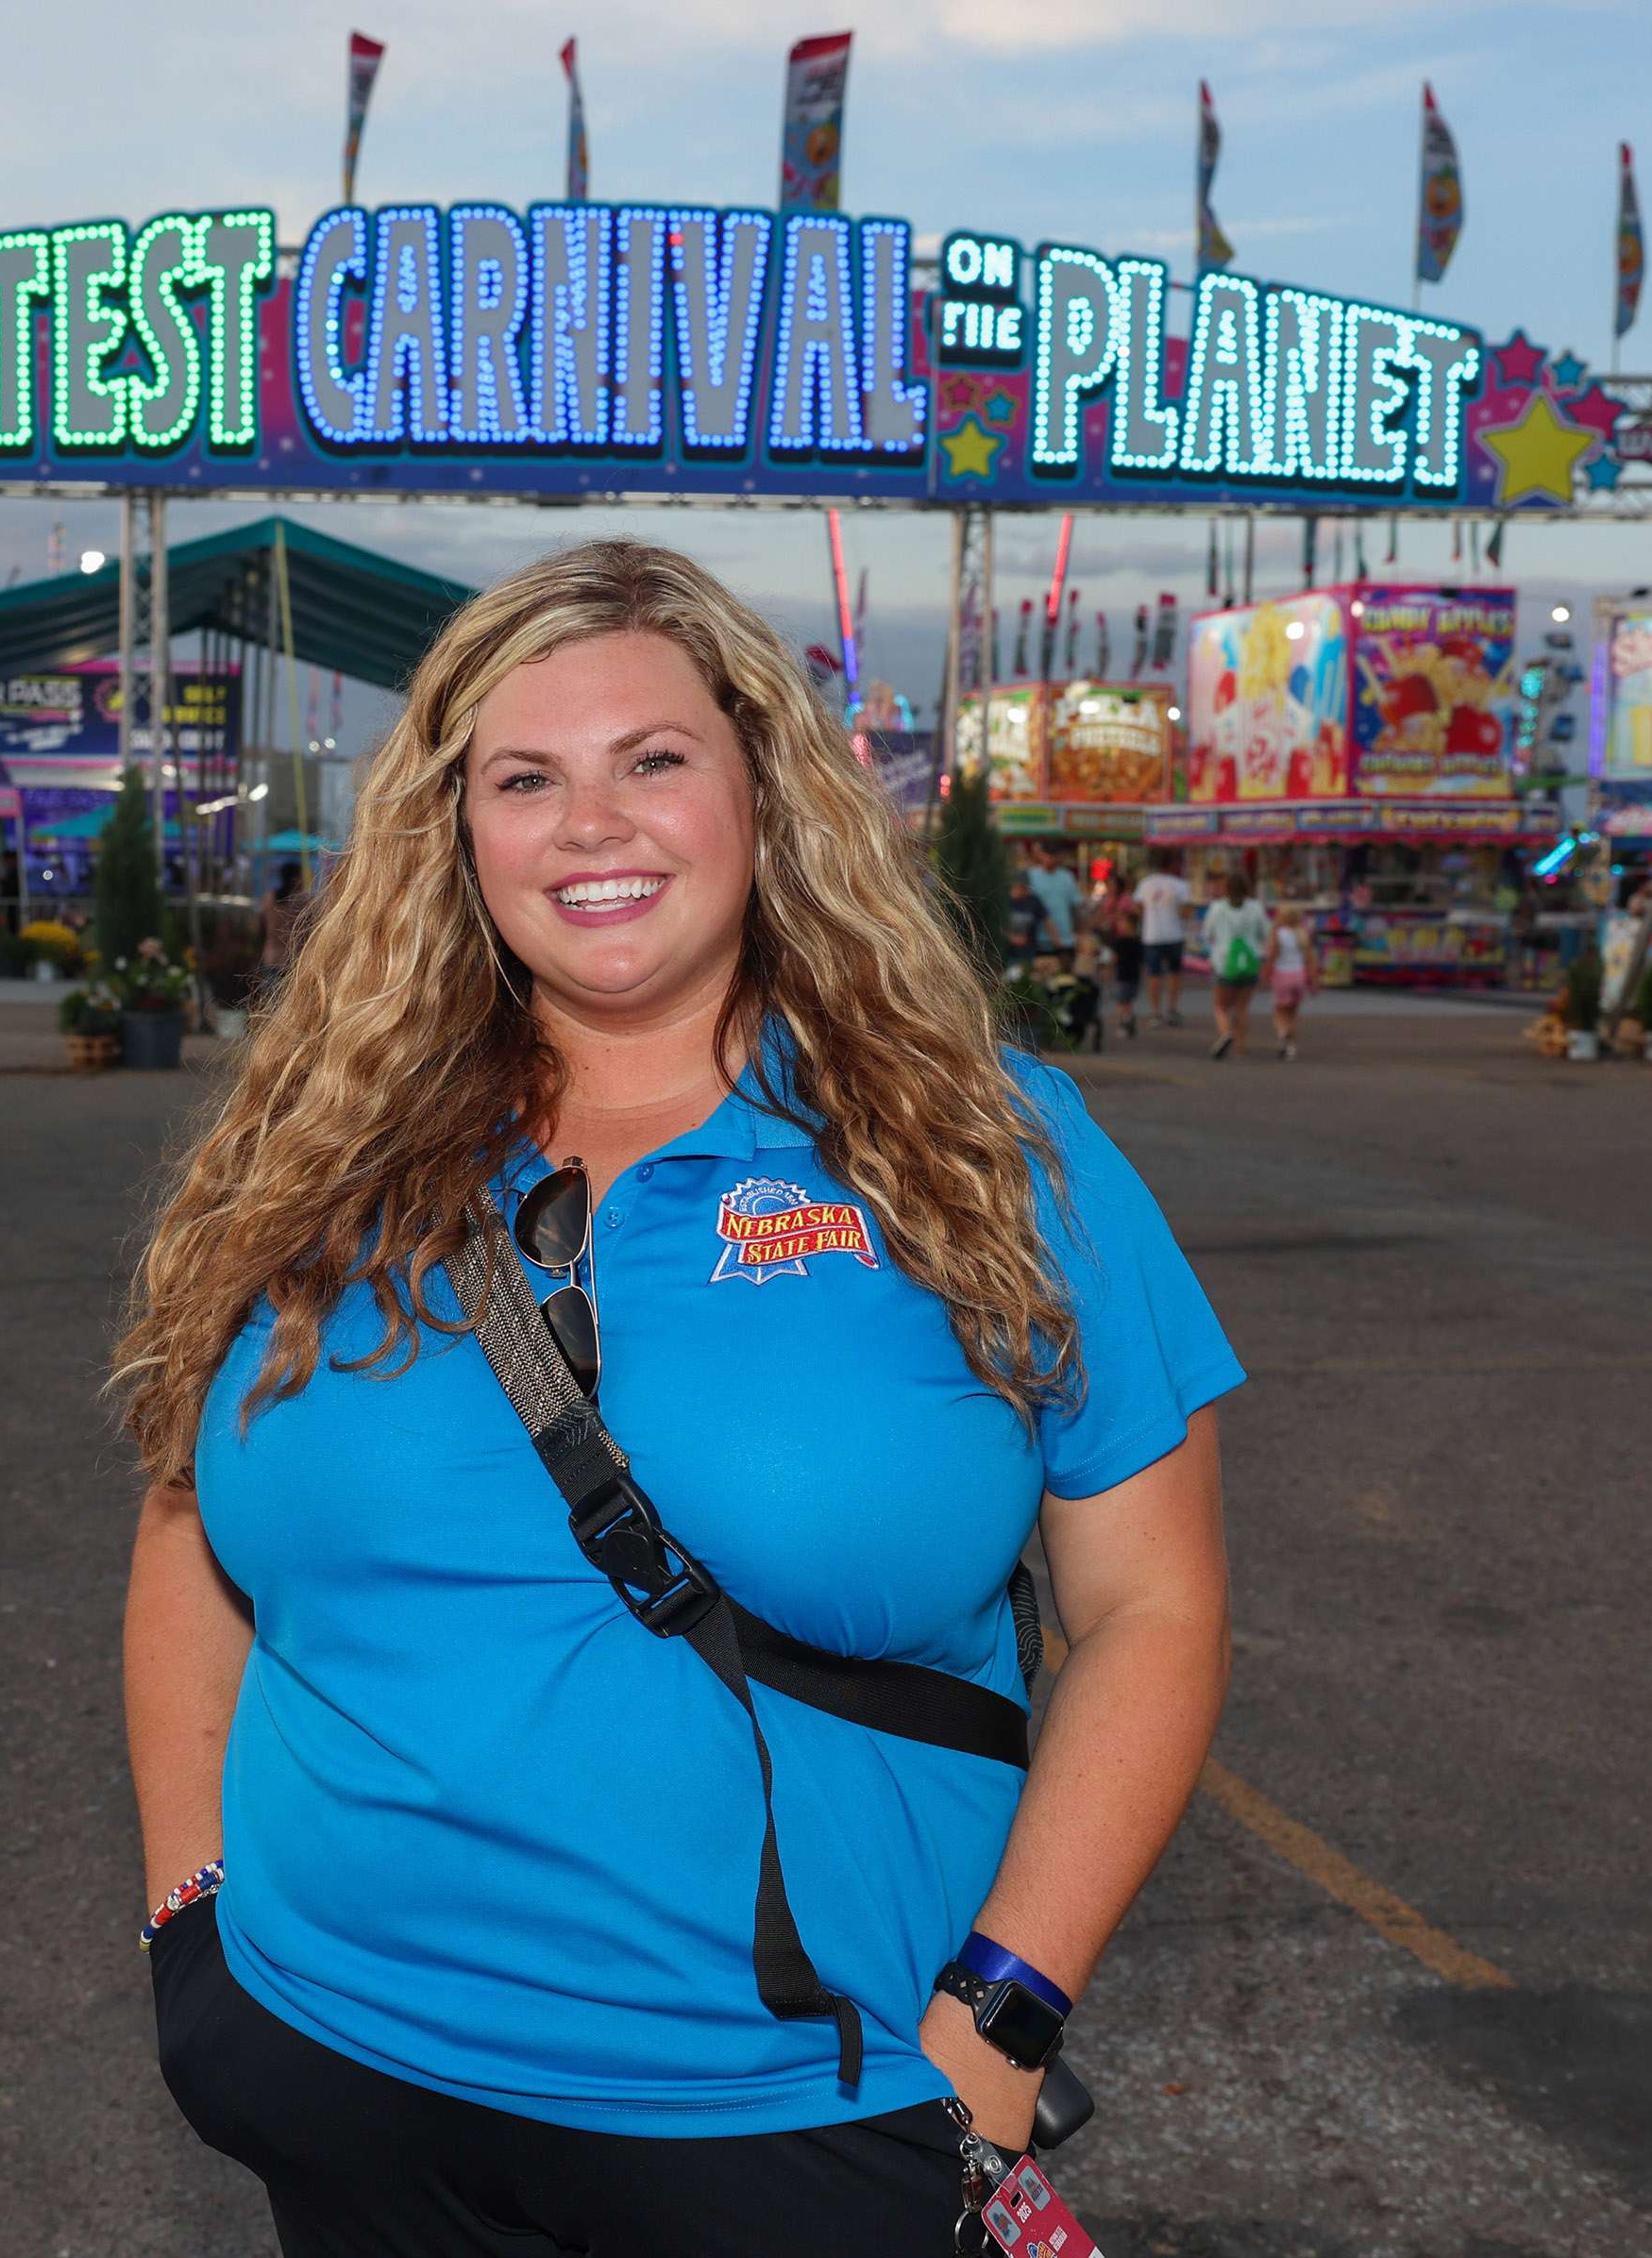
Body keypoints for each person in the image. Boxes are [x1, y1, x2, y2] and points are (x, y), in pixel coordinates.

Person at [117, 542, 1240, 2255]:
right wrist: (194, 1918)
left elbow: (1154, 1606)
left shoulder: (985, 1149)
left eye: (652, 759)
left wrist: (1004, 2016)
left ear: (762, 792)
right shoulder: (325, 1147)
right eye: (526, 777)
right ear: (456, 832)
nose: (592, 822)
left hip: (797, 2105)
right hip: (333, 2057)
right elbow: (194, 1519)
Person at [1202, 872, 1272, 1061]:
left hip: (1224, 962)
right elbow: (1266, 932)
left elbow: (1207, 934)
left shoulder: (1217, 908)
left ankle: (1226, 1034)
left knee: (1221, 1006)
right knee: (1241, 1007)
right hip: (1250, 961)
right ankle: (1240, 1046)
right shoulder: (1256, 908)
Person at [1134, 850, 1190, 1027]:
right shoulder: (1180, 885)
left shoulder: (1145, 884)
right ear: (1173, 865)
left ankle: (1155, 1012)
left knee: (1154, 974)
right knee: (1175, 973)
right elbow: (1185, 912)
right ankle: (1172, 1009)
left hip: (1152, 935)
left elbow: (1138, 907)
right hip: (1174, 934)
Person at [1268, 904, 1315, 1062]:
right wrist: (1314, 980)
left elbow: (1273, 955)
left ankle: (1282, 1033)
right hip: (1299, 976)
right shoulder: (1303, 934)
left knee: (1279, 1011)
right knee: (1293, 1014)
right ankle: (1292, 1048)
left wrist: (1265, 973)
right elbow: (1310, 959)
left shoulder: (1278, 934)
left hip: (1282, 975)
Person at [257, 862, 310, 991]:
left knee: (271, 1004)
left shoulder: (268, 899)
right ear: (296, 878)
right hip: (293, 961)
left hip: (271, 958)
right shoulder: (303, 902)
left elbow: (259, 929)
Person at [1025, 843, 1083, 955]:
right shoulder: (1031, 876)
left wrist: (1080, 930)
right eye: (1048, 855)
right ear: (1041, 855)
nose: (1050, 859)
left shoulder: (1067, 877)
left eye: (1054, 856)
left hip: (1065, 938)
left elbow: (1076, 905)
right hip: (1038, 938)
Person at [1107, 891, 1146, 1038]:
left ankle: (1124, 1023)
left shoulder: (1119, 942)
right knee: (1127, 1001)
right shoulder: (1138, 941)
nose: (1120, 926)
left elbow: (1114, 959)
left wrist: (1109, 970)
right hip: (1133, 976)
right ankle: (1129, 1019)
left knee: (1121, 1002)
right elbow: (1142, 961)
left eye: (1122, 923)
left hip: (1122, 976)